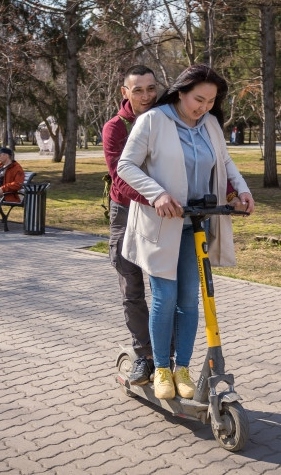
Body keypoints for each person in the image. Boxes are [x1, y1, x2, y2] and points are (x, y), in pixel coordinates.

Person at [117, 64, 254, 400]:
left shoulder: (209, 124)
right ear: (180, 91)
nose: (203, 107)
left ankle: (183, 368)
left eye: (210, 101)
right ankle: (161, 367)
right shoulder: (153, 121)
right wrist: (157, 193)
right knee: (165, 298)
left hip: (197, 223)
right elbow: (125, 166)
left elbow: (224, 161)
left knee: (190, 301)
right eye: (198, 99)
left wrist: (242, 189)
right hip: (163, 223)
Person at [103, 65, 158, 385]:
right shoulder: (116, 127)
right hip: (126, 212)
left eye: (151, 88)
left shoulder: (166, 120)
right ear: (125, 93)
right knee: (132, 289)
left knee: (166, 289)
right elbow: (120, 179)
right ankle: (144, 356)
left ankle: (167, 358)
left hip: (162, 213)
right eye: (138, 90)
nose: (147, 96)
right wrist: (159, 199)